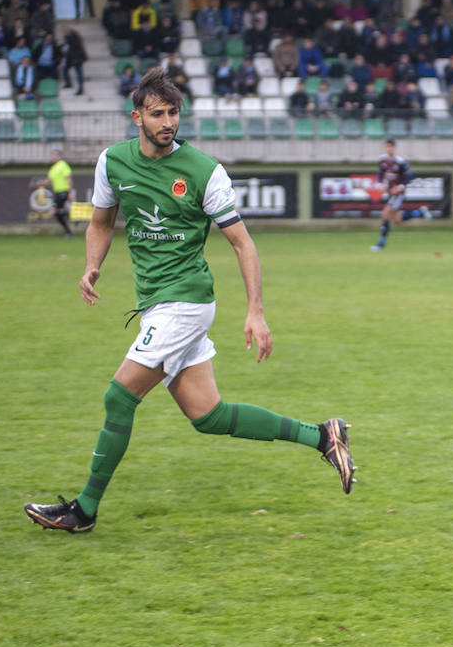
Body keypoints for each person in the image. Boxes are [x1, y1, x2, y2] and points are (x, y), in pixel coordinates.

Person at [23, 68, 355, 535]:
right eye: (157, 113)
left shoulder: (204, 171)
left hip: (187, 301)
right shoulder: (112, 163)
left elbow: (242, 243)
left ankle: (84, 510)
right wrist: (91, 265)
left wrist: (255, 311)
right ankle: (323, 435)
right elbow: (100, 223)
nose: (167, 122)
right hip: (157, 304)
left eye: (173, 112)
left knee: (118, 397)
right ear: (135, 117)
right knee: (208, 414)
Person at [370, 139, 431, 251]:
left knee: (385, 213)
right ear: (385, 148)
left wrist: (400, 187)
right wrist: (379, 183)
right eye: (387, 146)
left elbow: (410, 177)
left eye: (391, 146)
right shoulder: (382, 160)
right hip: (390, 192)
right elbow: (381, 172)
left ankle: (381, 244)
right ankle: (420, 212)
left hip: (398, 194)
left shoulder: (401, 162)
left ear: (395, 148)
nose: (389, 148)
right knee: (398, 220)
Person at [32, 148, 74, 237]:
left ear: (59, 156)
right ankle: (69, 231)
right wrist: (37, 184)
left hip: (63, 191)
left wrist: (70, 192)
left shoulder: (63, 165)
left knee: (53, 210)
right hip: (57, 193)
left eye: (55, 155)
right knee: (58, 215)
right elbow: (47, 181)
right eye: (52, 155)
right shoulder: (53, 168)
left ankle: (71, 216)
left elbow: (68, 179)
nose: (53, 157)